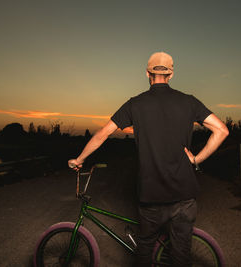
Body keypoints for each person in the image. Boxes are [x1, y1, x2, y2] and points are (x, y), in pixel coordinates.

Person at [68, 52, 229, 266]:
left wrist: (79, 159)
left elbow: (102, 134)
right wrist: (196, 159)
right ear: (171, 74)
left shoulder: (135, 104)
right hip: (184, 195)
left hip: (151, 195)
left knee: (145, 248)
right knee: (181, 254)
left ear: (147, 73)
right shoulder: (189, 102)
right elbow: (221, 130)